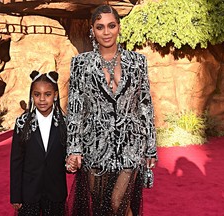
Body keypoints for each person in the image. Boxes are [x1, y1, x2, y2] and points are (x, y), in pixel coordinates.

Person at [65, 5, 157, 216]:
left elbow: (145, 104)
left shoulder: (137, 62)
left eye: (111, 26)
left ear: (119, 27)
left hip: (130, 144)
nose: (106, 32)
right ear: (92, 30)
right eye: (100, 27)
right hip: (94, 145)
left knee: (118, 202)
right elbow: (75, 108)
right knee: (99, 206)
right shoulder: (81, 64)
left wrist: (150, 147)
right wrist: (74, 148)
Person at [10, 70, 75, 216]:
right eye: (37, 94)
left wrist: (71, 165)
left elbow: (68, 156)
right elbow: (16, 161)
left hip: (56, 192)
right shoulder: (22, 123)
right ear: (32, 96)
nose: (42, 99)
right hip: (29, 193)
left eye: (47, 94)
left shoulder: (64, 123)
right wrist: (15, 195)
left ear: (56, 95)